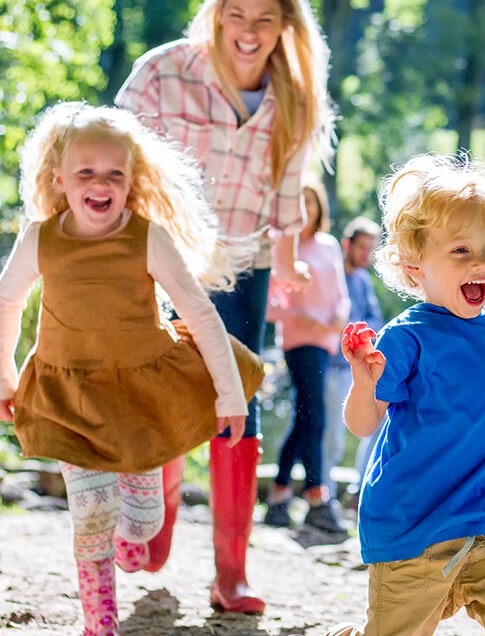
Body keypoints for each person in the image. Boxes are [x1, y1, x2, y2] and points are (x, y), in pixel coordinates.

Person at [0, 102, 264, 635]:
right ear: (60, 180)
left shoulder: (146, 237)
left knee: (141, 525)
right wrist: (5, 376)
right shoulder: (40, 240)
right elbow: (6, 305)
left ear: (130, 180)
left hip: (141, 398)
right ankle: (99, 622)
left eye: (114, 174)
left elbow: (200, 315)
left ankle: (132, 537)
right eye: (86, 173)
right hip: (70, 396)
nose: (101, 184)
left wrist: (231, 397)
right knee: (91, 514)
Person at [115, 0, 335, 614]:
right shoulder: (163, 73)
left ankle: (230, 575)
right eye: (236, 13)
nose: (248, 31)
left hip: (244, 263)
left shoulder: (295, 93)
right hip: (162, 260)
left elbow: (287, 193)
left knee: (237, 399)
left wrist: (288, 260)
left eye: (265, 19)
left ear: (286, 26)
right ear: (215, 14)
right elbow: (113, 158)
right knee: (160, 395)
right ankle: (152, 525)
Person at [326, 154, 485, 636]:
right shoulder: (405, 337)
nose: (480, 262)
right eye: (460, 251)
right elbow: (364, 425)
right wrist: (364, 382)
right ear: (414, 269)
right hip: (415, 529)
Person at [264, 182, 350, 532]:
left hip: (326, 340)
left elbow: (341, 294)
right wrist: (297, 317)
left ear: (320, 207)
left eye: (312, 201)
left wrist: (341, 318)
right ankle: (317, 498)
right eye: (300, 202)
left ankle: (280, 495)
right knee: (315, 417)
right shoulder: (283, 247)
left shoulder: (328, 245)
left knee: (306, 419)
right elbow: (267, 306)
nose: (306, 208)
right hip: (299, 342)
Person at [322, 216, 384, 501]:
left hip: (358, 365)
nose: (365, 255)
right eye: (361, 247)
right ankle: (325, 496)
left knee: (375, 427)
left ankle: (361, 490)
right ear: (347, 244)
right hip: (332, 365)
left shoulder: (362, 280)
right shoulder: (331, 274)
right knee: (332, 436)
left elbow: (374, 318)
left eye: (370, 249)